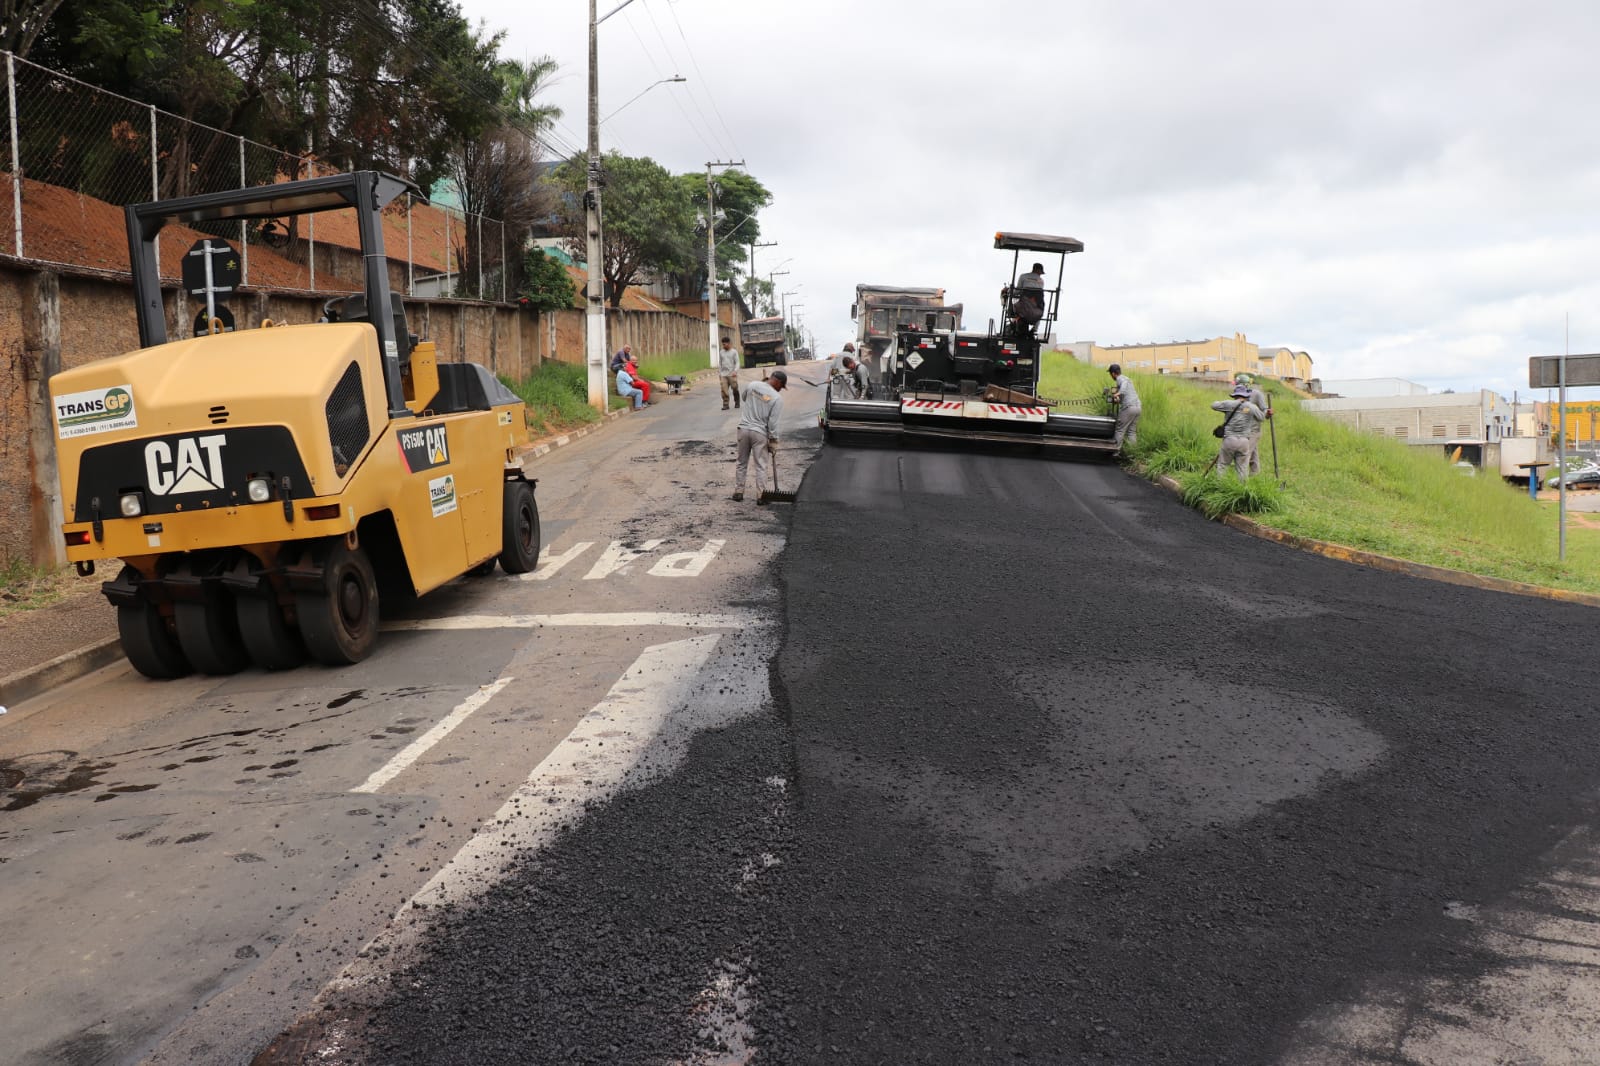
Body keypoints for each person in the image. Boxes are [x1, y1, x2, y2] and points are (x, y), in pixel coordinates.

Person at [732, 369, 787, 503]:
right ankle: (761, 495)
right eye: (781, 386)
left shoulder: (753, 385)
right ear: (777, 382)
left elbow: (744, 398)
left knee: (741, 462)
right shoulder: (777, 398)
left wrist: (758, 395)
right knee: (761, 465)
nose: (781, 389)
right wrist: (773, 440)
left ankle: (738, 492)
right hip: (759, 433)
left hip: (743, 429)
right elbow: (773, 423)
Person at [1212, 383, 1267, 480]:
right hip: (1244, 441)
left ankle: (1219, 485)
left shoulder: (1228, 404)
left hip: (1229, 440)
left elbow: (1213, 405)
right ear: (1246, 396)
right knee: (1242, 469)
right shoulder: (1251, 407)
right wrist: (1267, 411)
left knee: (1223, 465)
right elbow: (1262, 417)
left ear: (1235, 395)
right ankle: (1241, 487)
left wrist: (1223, 403)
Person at [1234, 373, 1273, 474]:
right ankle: (1255, 475)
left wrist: (1267, 413)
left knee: (1245, 454)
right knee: (1253, 454)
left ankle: (1242, 480)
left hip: (1253, 430)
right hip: (1242, 429)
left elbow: (1264, 410)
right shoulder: (1237, 394)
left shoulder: (1256, 394)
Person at [1107, 363, 1141, 452]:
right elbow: (1122, 397)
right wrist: (1117, 399)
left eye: (1110, 374)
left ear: (1113, 373)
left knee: (1120, 430)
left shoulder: (1121, 379)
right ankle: (1133, 452)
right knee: (1131, 432)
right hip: (1137, 408)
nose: (1111, 376)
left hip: (1129, 408)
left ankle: (1115, 452)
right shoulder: (1127, 379)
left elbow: (1123, 389)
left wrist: (1116, 394)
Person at [718, 335, 741, 410]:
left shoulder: (734, 352)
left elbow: (737, 362)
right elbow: (720, 363)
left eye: (725, 344)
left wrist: (735, 371)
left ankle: (737, 401)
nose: (723, 346)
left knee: (735, 388)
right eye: (723, 344)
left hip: (732, 374)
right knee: (724, 389)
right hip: (723, 374)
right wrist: (720, 373)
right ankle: (725, 404)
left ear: (729, 343)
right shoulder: (721, 352)